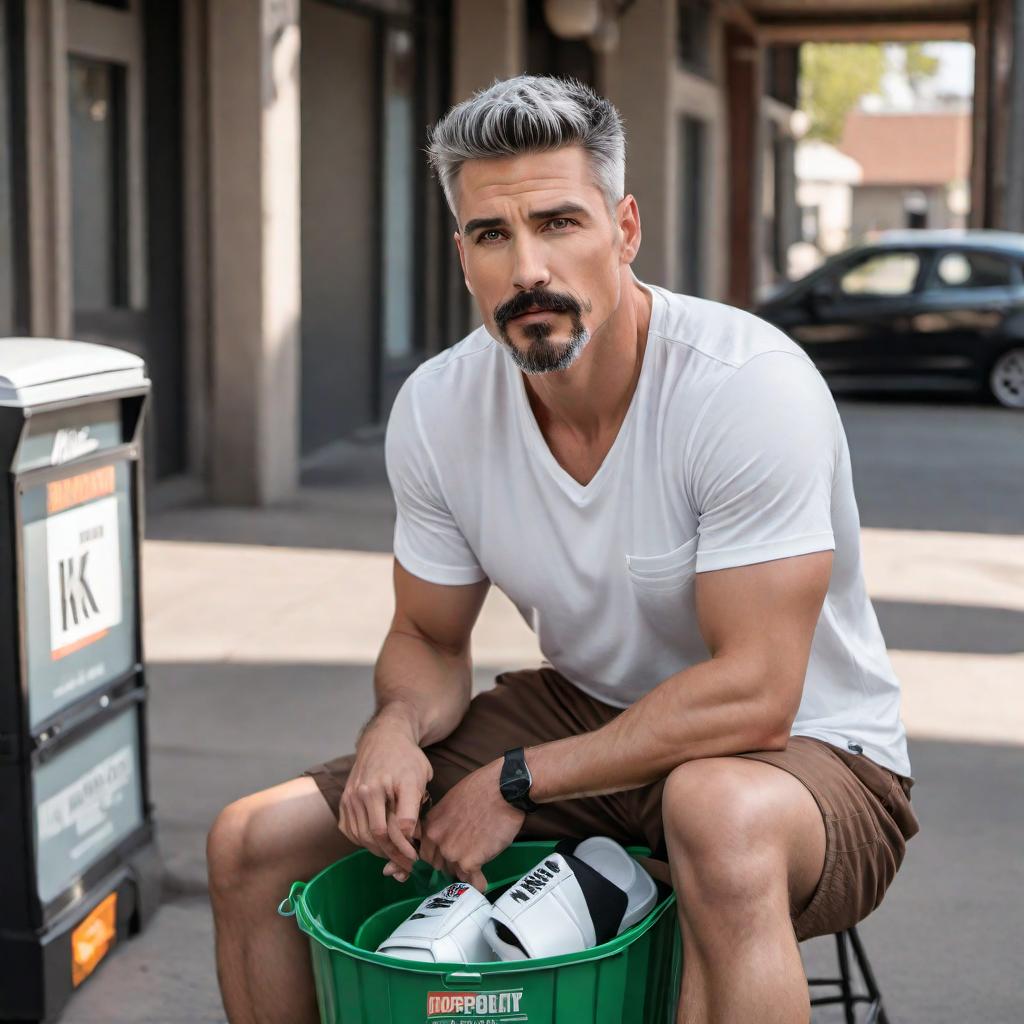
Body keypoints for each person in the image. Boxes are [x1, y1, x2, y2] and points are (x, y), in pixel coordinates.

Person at [207, 76, 919, 1024]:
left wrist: (517, 780)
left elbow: (755, 692)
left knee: (714, 813)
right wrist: (392, 728)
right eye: (491, 235)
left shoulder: (745, 386)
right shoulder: (438, 407)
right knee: (250, 843)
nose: (526, 268)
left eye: (559, 223)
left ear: (624, 230)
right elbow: (426, 634)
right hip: (585, 713)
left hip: (809, 750)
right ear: (460, 253)